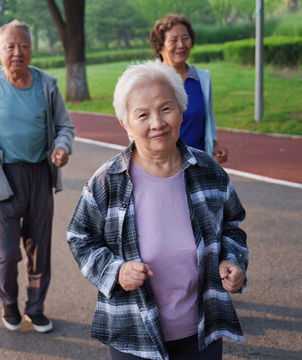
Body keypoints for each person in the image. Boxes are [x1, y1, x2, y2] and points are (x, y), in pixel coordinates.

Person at [67, 61, 248, 360]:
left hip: (202, 332)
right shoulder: (107, 182)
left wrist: (234, 260)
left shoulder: (209, 172)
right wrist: (116, 271)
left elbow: (232, 225)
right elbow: (79, 237)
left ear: (181, 109)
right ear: (125, 123)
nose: (157, 123)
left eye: (166, 109)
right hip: (134, 334)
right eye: (142, 114)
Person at [0, 19, 75, 333]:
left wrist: (62, 147)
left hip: (39, 174)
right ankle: (9, 302)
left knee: (39, 247)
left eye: (23, 45)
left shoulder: (47, 83)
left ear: (31, 48)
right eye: (10, 46)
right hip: (1, 177)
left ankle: (35, 308)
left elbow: (65, 126)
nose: (17, 52)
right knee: (6, 254)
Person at [149, 14, 228, 164]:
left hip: (198, 164)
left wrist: (214, 144)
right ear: (160, 46)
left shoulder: (202, 78)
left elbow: (208, 116)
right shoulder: (150, 81)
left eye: (185, 38)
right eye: (173, 40)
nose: (181, 45)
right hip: (163, 166)